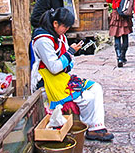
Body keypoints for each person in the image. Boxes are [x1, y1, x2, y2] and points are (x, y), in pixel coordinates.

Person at [30, 8, 114, 141]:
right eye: (65, 26)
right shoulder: (42, 40)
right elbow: (53, 67)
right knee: (87, 97)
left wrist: (68, 58)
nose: (66, 29)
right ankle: (91, 127)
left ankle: (96, 127)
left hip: (61, 77)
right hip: (47, 80)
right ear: (55, 23)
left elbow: (68, 64)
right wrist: (69, 53)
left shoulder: (59, 36)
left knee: (96, 88)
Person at [106, 0, 133, 67]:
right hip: (126, 13)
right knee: (125, 35)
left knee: (117, 35)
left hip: (117, 12)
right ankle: (123, 56)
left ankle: (118, 57)